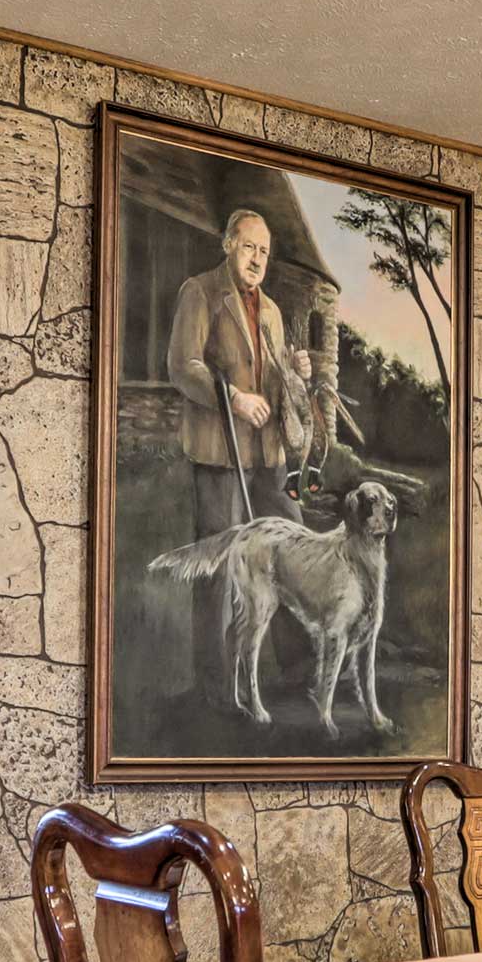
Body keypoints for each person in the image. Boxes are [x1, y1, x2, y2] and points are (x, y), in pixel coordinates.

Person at [164, 206, 313, 683]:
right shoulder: (200, 293)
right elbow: (183, 366)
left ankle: (301, 665)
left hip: (266, 456)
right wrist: (233, 398)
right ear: (228, 244)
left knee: (292, 550)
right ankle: (215, 685)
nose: (256, 259)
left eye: (264, 251)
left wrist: (295, 371)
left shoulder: (270, 309)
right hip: (218, 453)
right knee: (220, 564)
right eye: (249, 246)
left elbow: (272, 379)